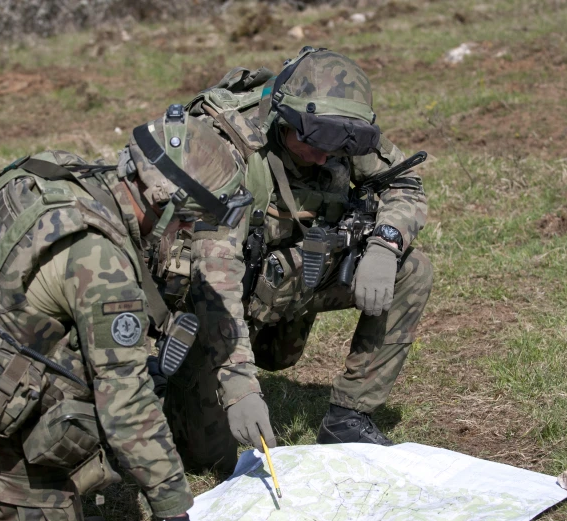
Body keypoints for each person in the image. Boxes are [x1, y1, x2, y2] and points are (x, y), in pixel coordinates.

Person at [0, 106, 251, 521]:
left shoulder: (50, 172)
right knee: (128, 398)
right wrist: (173, 508)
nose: (188, 234)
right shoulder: (99, 263)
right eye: (191, 221)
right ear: (162, 202)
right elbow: (126, 404)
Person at [162, 47, 433, 474]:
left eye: (339, 145)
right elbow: (217, 280)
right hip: (214, 307)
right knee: (205, 459)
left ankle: (349, 416)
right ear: (285, 119)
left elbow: (405, 180)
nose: (326, 157)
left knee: (411, 271)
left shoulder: (337, 132)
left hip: (290, 286)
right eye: (314, 144)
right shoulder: (228, 150)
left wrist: (386, 240)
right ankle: (168, 382)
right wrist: (239, 388)